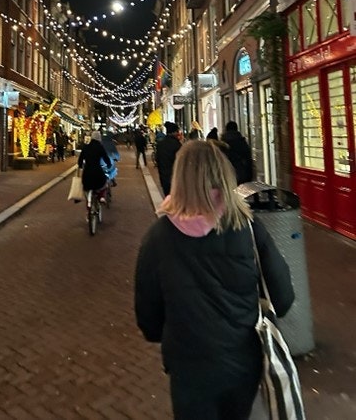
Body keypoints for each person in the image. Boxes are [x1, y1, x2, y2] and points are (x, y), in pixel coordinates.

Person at [134, 140, 295, 420]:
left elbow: (148, 317)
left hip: (189, 365)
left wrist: (170, 334)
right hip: (243, 361)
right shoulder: (248, 227)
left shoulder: (157, 238)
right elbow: (282, 297)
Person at [78, 130, 112, 203]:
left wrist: (80, 166)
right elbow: (106, 157)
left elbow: (80, 160)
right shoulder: (100, 147)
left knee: (86, 187)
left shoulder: (86, 147)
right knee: (104, 183)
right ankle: (101, 197)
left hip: (87, 174)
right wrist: (109, 165)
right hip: (97, 173)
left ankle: (88, 204)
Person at [155, 121, 182, 196]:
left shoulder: (160, 144)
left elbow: (157, 160)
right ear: (174, 132)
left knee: (167, 197)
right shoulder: (177, 145)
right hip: (175, 177)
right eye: (177, 131)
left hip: (164, 177)